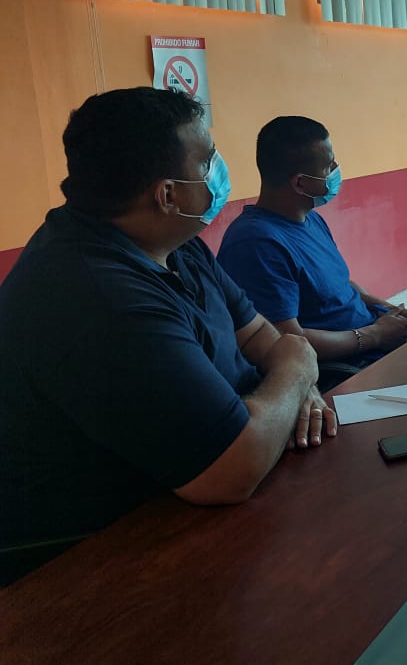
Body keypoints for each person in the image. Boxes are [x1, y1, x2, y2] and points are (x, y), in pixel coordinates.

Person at [0, 88, 330, 585]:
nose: (219, 168)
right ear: (168, 194)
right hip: (101, 559)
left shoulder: (175, 241)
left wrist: (293, 386)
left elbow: (260, 336)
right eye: (207, 160)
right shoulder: (97, 296)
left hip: (210, 483)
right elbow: (231, 470)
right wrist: (299, 371)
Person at [217, 117, 407, 387]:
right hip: (342, 372)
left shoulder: (311, 219)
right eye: (328, 166)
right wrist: (376, 335)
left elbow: (339, 284)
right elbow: (287, 341)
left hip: (372, 347)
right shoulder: (256, 243)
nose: (336, 171)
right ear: (300, 183)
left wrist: (387, 310)